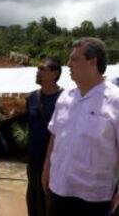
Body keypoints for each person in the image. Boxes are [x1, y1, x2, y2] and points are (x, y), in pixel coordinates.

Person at [42, 37, 119, 216]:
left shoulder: (115, 100)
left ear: (93, 62)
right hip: (58, 190)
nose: (68, 64)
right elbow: (55, 135)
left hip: (94, 199)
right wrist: (47, 167)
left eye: (75, 59)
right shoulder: (65, 97)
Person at [26, 57, 62, 216]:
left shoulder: (66, 99)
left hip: (55, 163)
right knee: (33, 202)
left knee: (51, 204)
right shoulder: (31, 97)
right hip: (33, 162)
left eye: (42, 68)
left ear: (54, 73)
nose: (37, 71)